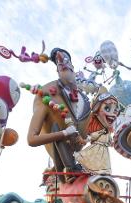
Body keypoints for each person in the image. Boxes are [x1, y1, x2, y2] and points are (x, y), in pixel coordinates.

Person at [27, 47, 91, 178]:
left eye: (66, 60)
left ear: (73, 66)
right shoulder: (46, 94)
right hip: (64, 169)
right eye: (59, 63)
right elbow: (31, 139)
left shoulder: (85, 99)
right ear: (57, 70)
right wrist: (64, 133)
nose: (62, 62)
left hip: (87, 164)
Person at [74, 92, 120, 174]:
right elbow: (92, 137)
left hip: (104, 152)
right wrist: (85, 140)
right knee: (89, 161)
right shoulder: (100, 131)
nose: (112, 114)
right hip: (95, 149)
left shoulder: (107, 133)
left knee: (102, 166)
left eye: (115, 110)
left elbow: (109, 142)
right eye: (107, 108)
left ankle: (100, 174)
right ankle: (82, 168)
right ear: (96, 111)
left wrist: (114, 143)